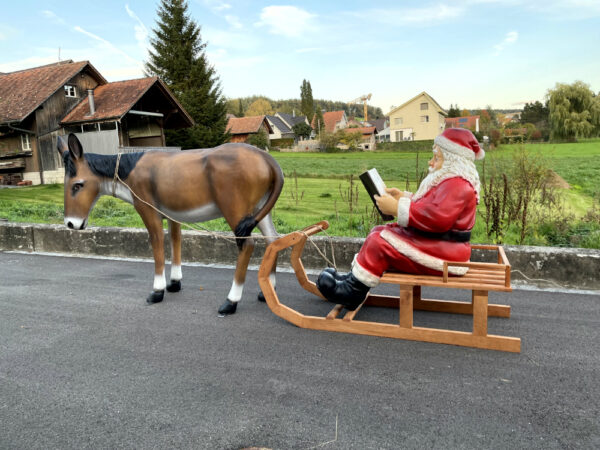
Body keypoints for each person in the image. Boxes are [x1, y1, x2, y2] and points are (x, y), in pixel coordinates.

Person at [316, 128, 485, 310]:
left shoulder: (457, 185)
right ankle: (355, 278)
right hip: (439, 245)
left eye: (436, 158)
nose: (431, 162)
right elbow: (428, 205)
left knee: (379, 241)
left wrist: (397, 208)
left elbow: (437, 218)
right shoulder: (449, 181)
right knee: (378, 231)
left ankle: (352, 291)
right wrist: (402, 197)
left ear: (453, 160)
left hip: (444, 252)